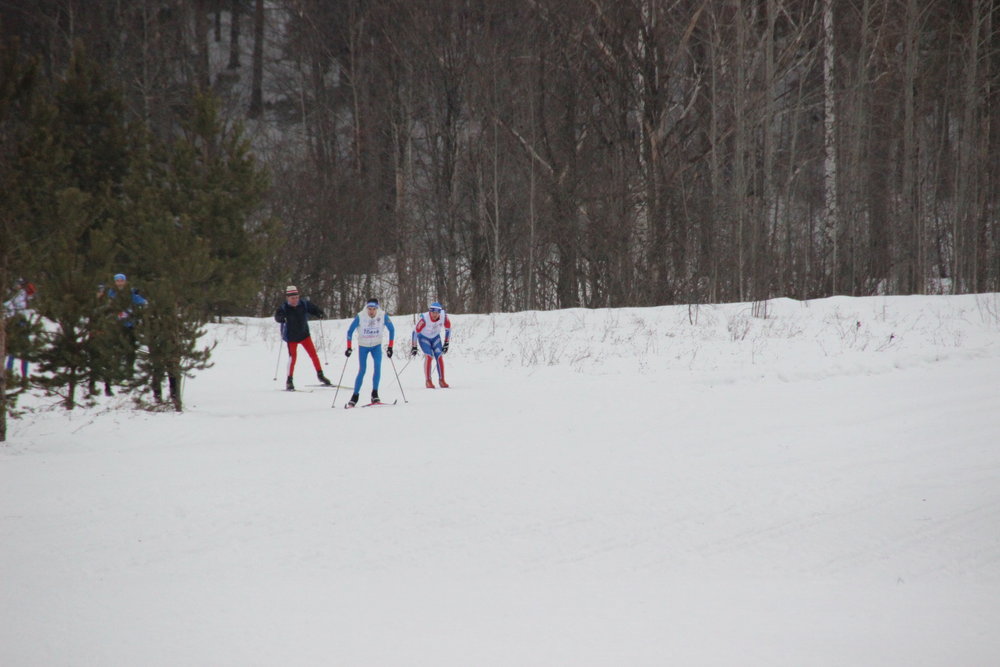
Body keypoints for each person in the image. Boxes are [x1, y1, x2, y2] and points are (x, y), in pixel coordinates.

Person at [274, 285, 331, 391]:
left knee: (313, 355)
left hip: (304, 334)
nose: (295, 300)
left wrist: (319, 313)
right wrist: (281, 318)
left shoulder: (303, 304)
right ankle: (289, 380)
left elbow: (313, 309)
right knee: (293, 358)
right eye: (292, 298)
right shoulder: (284, 307)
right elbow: (277, 317)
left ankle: (320, 375)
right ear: (288, 298)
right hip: (291, 337)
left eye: (296, 297)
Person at [102, 273, 148, 396]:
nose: (120, 282)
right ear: (115, 282)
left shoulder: (131, 293)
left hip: (130, 325)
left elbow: (142, 302)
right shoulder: (112, 293)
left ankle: (129, 374)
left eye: (122, 280)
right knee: (115, 352)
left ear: (125, 281)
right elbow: (108, 306)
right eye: (118, 280)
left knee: (131, 350)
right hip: (116, 327)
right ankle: (114, 378)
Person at [344, 297, 395, 407]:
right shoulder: (361, 316)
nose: (371, 311)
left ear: (377, 308)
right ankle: (355, 396)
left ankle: (375, 393)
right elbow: (350, 331)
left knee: (377, 366)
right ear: (366, 308)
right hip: (363, 346)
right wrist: (348, 347)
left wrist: (390, 347)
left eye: (374, 309)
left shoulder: (382, 315)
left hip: (376, 345)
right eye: (369, 309)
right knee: (362, 370)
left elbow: (392, 329)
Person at [410, 301, 451, 388]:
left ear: (439, 312)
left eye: (436, 313)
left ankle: (442, 380)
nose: (434, 315)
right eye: (432, 312)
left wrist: (446, 343)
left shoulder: (444, 316)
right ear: (430, 311)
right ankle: (428, 381)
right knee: (429, 356)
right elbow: (415, 332)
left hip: (435, 337)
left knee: (439, 356)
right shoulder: (424, 318)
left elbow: (448, 329)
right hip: (424, 338)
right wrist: (414, 346)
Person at [4, 278, 36, 380]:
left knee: (19, 352)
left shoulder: (22, 294)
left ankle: (21, 376)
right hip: (16, 323)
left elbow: (32, 294)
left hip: (20, 323)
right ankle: (13, 375)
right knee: (16, 352)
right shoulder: (14, 296)